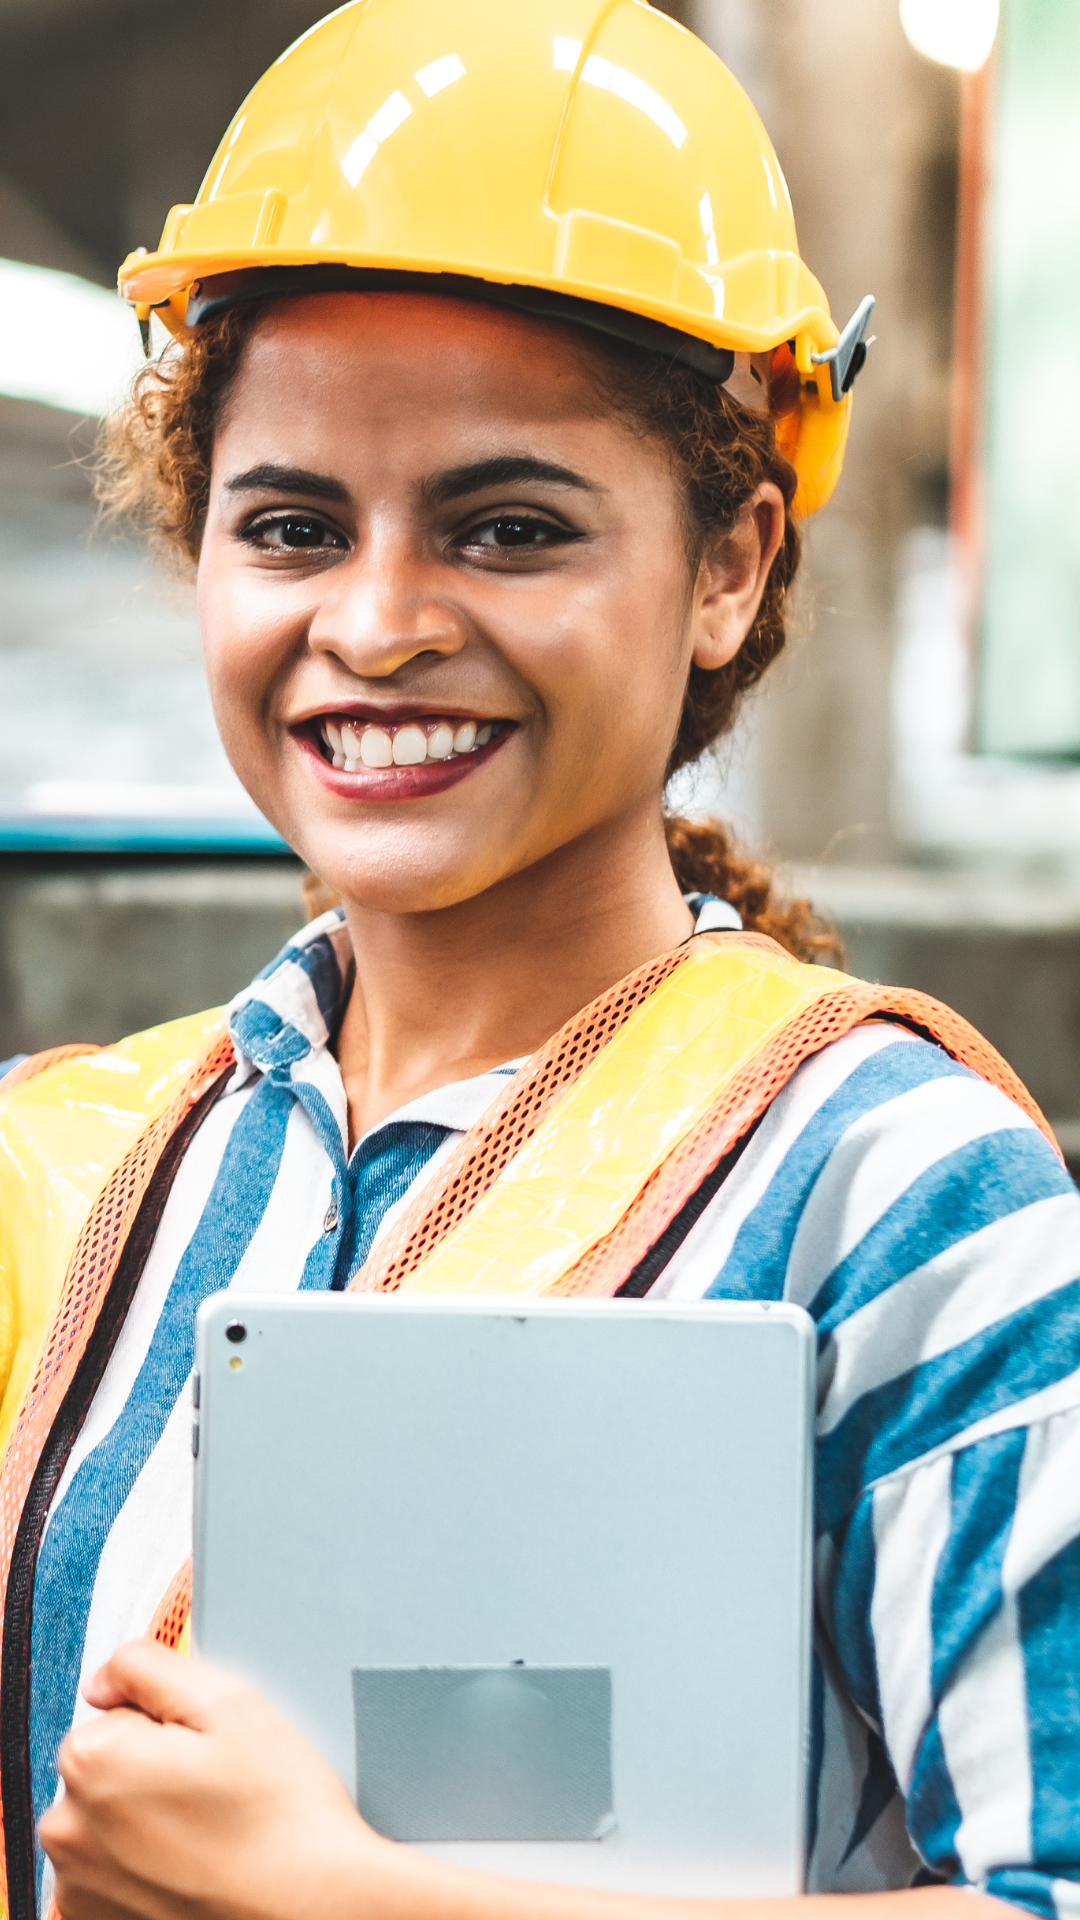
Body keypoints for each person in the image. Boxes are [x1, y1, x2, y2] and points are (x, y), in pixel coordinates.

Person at [0, 1, 1077, 1916]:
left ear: (732, 562)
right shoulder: (64, 1162)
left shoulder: (898, 1193)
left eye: (508, 527)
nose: (383, 623)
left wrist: (353, 1898)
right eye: (294, 525)